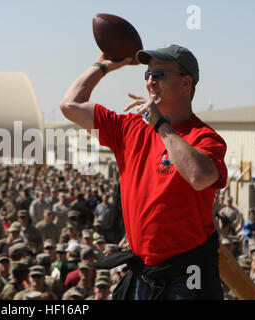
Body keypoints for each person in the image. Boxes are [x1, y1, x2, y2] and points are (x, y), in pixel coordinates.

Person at [60, 44, 228, 300]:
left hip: (187, 276)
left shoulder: (204, 137)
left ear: (185, 84)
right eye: (147, 74)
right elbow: (70, 105)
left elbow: (199, 176)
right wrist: (102, 67)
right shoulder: (129, 128)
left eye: (158, 74)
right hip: (142, 273)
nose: (150, 81)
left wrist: (161, 124)